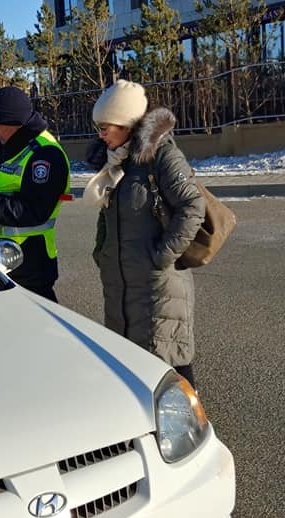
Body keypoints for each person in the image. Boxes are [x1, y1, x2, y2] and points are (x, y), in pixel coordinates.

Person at [83, 79, 205, 387]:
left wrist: (161, 257)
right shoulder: (117, 162)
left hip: (158, 286)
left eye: (106, 127)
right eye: (98, 127)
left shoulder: (162, 156)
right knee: (131, 371)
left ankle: (193, 431)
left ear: (127, 124)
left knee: (170, 370)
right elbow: (107, 212)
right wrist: (103, 251)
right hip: (121, 284)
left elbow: (193, 207)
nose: (101, 135)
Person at [0, 85, 71, 301]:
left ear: (16, 123)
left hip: (29, 262)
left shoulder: (45, 154)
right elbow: (1, 184)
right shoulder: (7, 144)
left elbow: (35, 210)